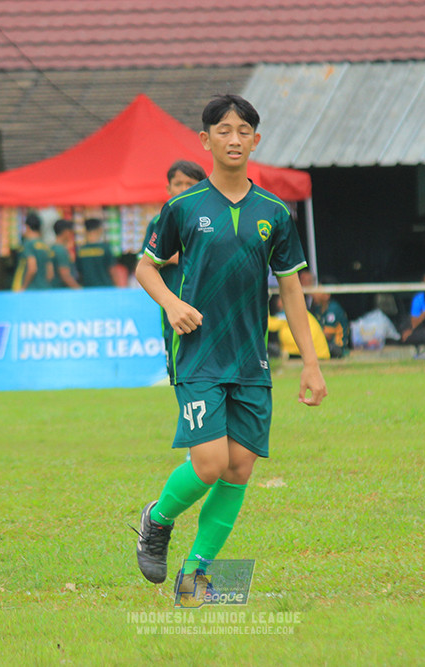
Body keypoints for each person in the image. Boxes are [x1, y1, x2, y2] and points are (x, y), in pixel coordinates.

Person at [134, 94, 327, 600]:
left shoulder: (275, 213)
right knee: (209, 464)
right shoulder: (182, 207)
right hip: (199, 354)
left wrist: (310, 363)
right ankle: (157, 519)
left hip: (251, 359)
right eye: (224, 130)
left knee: (239, 468)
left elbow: (291, 290)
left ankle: (195, 577)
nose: (234, 139)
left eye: (244, 131)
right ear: (206, 140)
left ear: (255, 141)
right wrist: (172, 304)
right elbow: (145, 268)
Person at [139, 160, 206, 368]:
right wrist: (174, 257)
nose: (183, 189)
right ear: (169, 189)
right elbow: (145, 261)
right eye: (178, 184)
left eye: (190, 184)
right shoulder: (159, 221)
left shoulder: (211, 220)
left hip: (206, 299)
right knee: (177, 356)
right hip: (173, 299)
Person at [309, 278, 350, 358]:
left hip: (337, 346)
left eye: (318, 290)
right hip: (324, 344)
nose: (314, 293)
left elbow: (328, 335)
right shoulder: (317, 309)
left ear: (327, 295)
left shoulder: (333, 309)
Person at [13, 213, 52, 291]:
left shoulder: (28, 244)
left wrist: (23, 287)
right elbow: (50, 274)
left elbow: (32, 268)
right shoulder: (45, 246)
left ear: (27, 227)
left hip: (30, 290)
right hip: (44, 289)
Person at [75, 218, 118, 287]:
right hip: (106, 288)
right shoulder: (105, 248)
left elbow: (79, 272)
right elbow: (112, 270)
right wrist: (117, 287)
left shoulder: (81, 251)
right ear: (99, 230)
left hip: (88, 289)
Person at [49, 219, 81, 289]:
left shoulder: (52, 249)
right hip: (62, 291)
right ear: (66, 232)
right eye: (70, 231)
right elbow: (65, 274)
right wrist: (78, 289)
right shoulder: (61, 251)